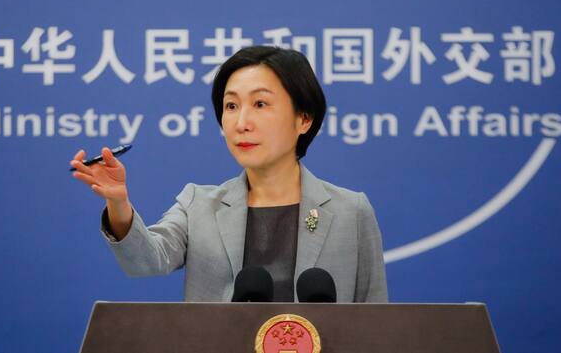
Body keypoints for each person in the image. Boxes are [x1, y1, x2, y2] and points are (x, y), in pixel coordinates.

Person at [70, 46, 387, 302]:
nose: (241, 122)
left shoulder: (351, 211)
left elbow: (376, 322)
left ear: (303, 119)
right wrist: (118, 203)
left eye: (260, 104)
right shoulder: (199, 204)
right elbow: (146, 261)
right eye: (231, 106)